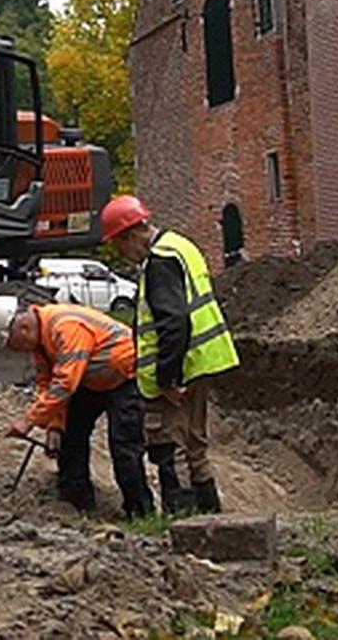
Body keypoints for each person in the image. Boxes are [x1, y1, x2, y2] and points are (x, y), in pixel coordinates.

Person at [102, 194, 238, 514]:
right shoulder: (180, 245)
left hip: (180, 369)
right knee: (195, 445)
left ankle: (185, 522)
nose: (123, 255)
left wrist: (167, 378)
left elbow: (173, 322)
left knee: (170, 445)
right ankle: (210, 519)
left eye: (119, 246)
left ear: (130, 234)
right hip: (200, 360)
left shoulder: (159, 261)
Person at [0, 295, 154, 518]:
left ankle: (140, 511)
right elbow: (48, 383)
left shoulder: (65, 326)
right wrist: (55, 425)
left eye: (14, 345)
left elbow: (65, 384)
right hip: (91, 378)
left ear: (23, 328)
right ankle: (76, 503)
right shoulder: (41, 343)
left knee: (124, 446)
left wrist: (29, 421)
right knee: (70, 437)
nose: (18, 352)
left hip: (123, 376)